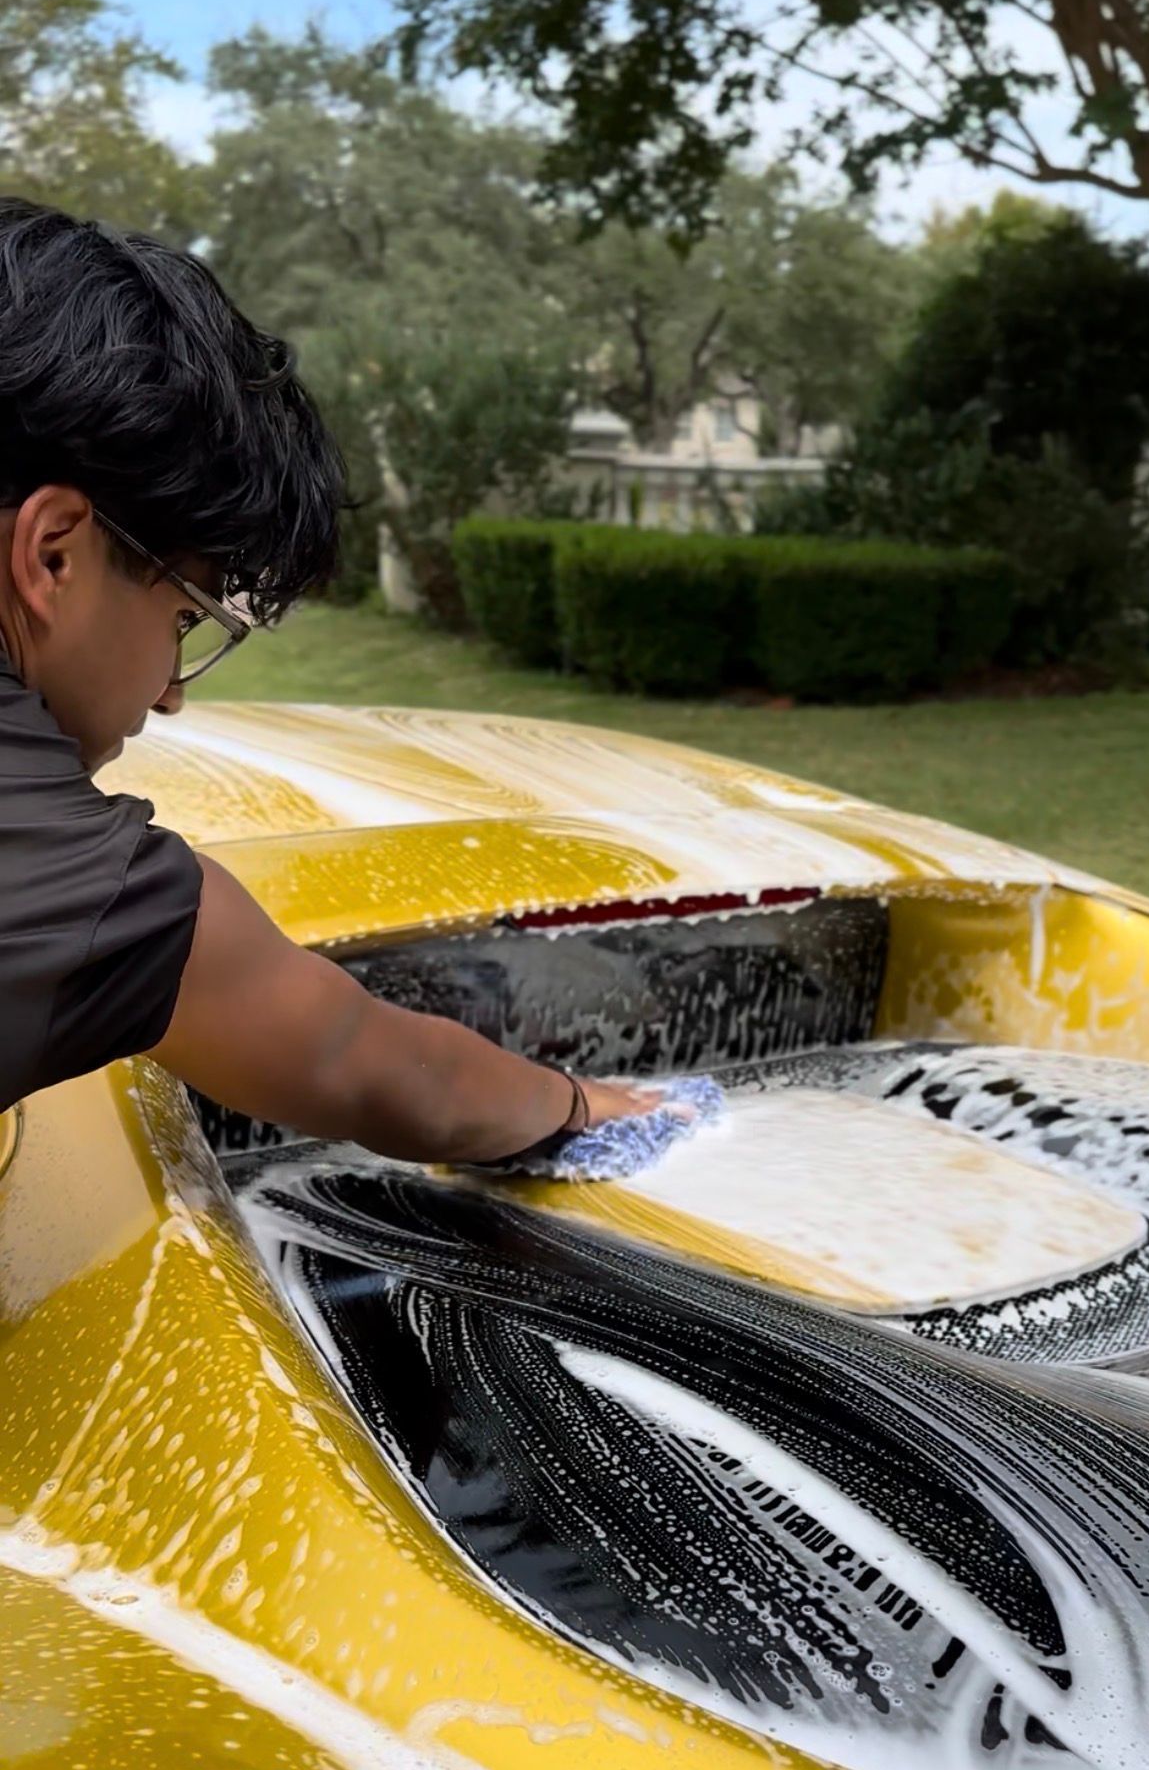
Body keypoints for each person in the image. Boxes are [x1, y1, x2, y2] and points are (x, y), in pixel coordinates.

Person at [0, 200, 658, 1162]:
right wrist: (588, 1107)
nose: (172, 692)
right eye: (188, 619)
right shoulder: (68, 877)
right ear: (54, 554)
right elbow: (365, 1060)